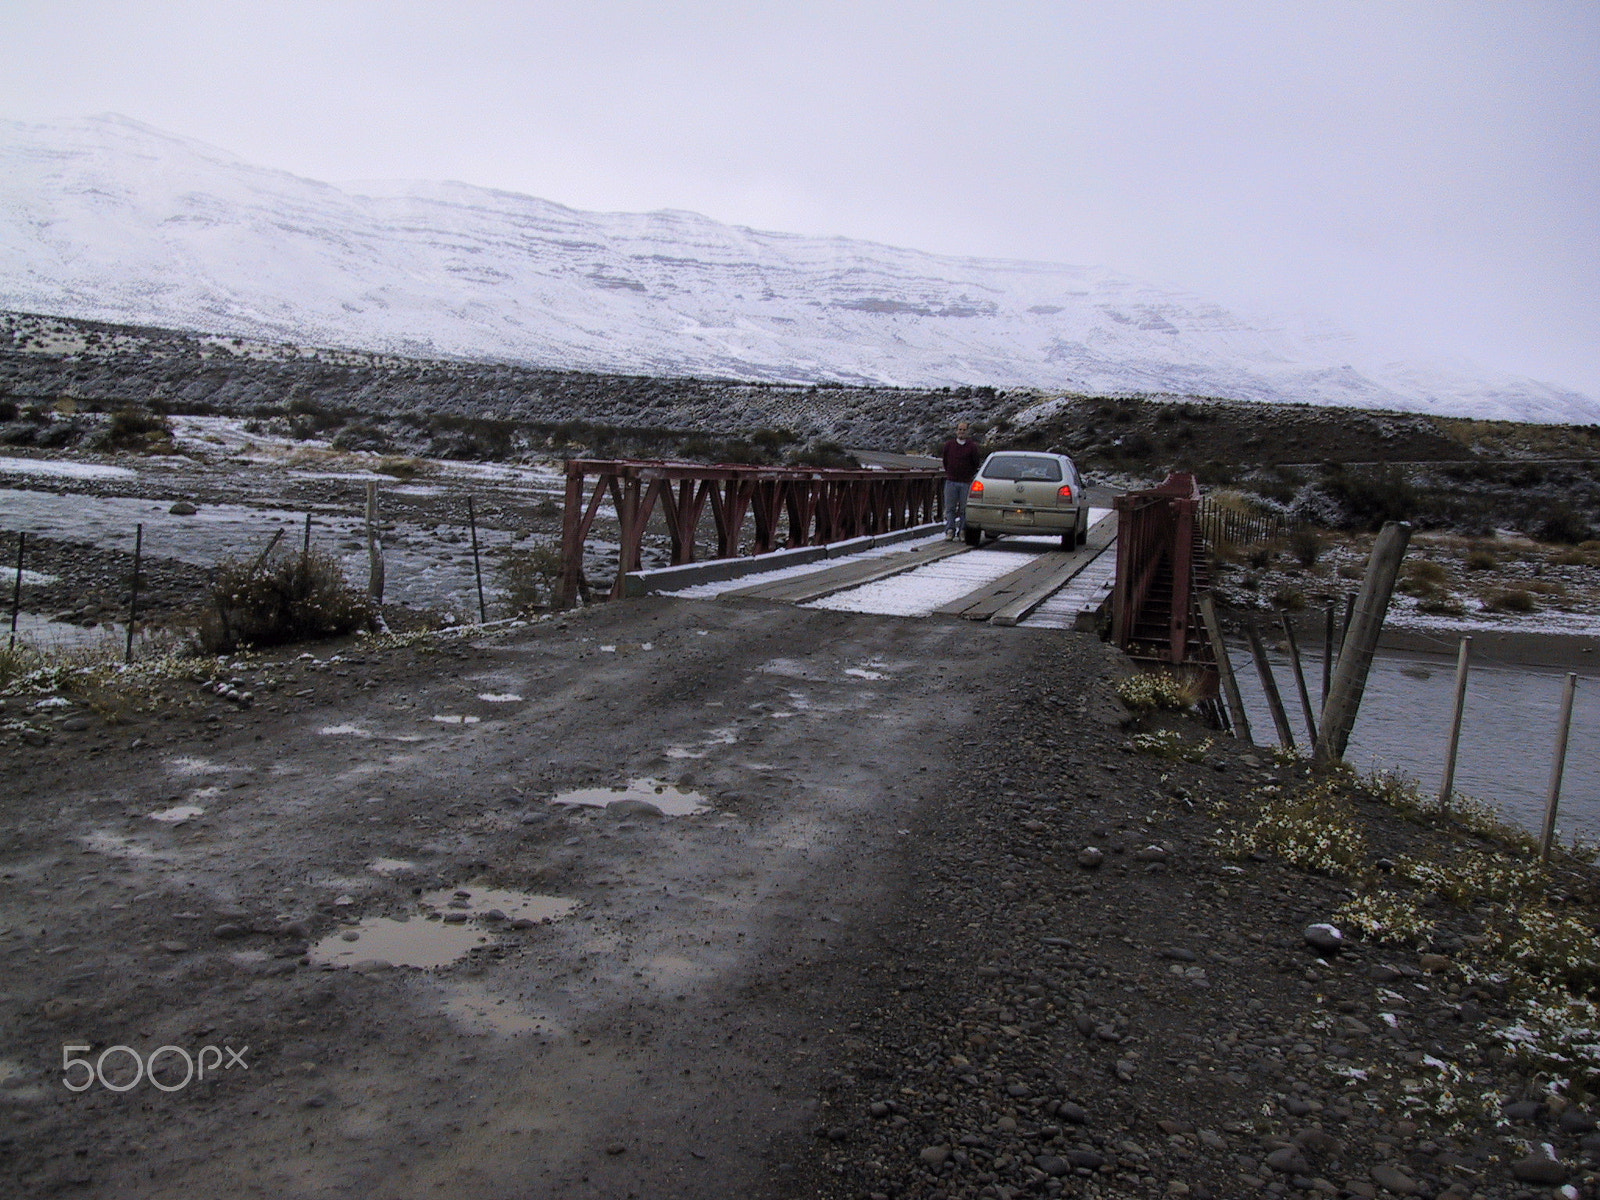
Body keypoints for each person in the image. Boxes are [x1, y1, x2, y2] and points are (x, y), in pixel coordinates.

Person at [940, 421, 982, 540]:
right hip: (951, 480)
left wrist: (968, 474)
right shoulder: (949, 445)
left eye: (964, 430)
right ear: (956, 431)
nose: (961, 432)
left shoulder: (972, 447)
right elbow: (945, 461)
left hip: (965, 482)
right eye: (959, 429)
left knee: (964, 509)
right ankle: (950, 530)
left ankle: (962, 530)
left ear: (967, 432)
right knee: (950, 508)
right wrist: (950, 472)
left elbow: (975, 463)